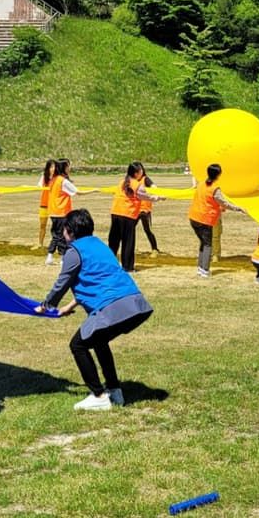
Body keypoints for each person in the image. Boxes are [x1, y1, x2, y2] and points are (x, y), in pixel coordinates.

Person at [35, 209, 153, 411]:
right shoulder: (99, 245)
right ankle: (115, 391)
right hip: (136, 305)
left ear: (70, 231)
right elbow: (97, 279)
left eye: (65, 228)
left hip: (112, 307)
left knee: (78, 345)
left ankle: (98, 395)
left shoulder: (73, 251)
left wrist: (46, 305)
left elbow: (62, 283)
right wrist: (68, 307)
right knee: (98, 340)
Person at [188, 164, 242, 278]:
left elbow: (207, 200)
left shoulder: (201, 184)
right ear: (218, 175)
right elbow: (224, 203)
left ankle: (200, 268)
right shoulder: (215, 188)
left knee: (203, 243)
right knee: (208, 244)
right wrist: (238, 208)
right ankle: (205, 270)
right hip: (205, 220)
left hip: (194, 217)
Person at [107, 162, 160, 272]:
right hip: (127, 215)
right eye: (140, 170)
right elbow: (145, 196)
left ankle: (108, 264)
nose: (142, 172)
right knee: (128, 242)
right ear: (136, 173)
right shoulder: (137, 185)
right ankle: (127, 267)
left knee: (114, 241)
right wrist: (158, 198)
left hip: (116, 213)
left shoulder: (122, 182)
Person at [45, 159, 77, 265]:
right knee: (62, 235)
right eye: (68, 166)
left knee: (56, 235)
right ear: (64, 167)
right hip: (61, 212)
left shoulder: (53, 179)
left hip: (53, 211)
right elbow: (76, 191)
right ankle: (62, 258)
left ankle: (50, 256)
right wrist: (95, 190)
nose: (70, 168)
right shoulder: (62, 180)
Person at [138, 171, 161, 254]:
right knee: (129, 229)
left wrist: (157, 195)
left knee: (147, 229)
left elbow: (154, 187)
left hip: (144, 210)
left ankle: (154, 248)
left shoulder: (145, 179)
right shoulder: (132, 180)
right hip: (135, 209)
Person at [37, 159, 56, 248]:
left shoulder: (58, 178)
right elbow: (39, 186)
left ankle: (56, 244)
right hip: (44, 204)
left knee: (56, 226)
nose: (53, 168)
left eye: (54, 167)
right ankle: (40, 243)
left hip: (54, 205)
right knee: (42, 225)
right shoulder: (44, 177)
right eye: (51, 167)